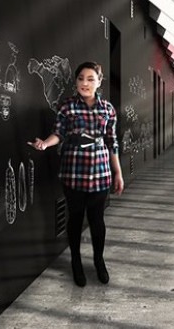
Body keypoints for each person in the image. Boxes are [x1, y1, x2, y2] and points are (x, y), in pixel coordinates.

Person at [28, 61, 124, 287]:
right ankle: (76, 262)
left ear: (99, 82)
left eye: (91, 79)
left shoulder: (107, 109)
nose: (85, 83)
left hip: (100, 173)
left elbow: (112, 142)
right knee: (75, 219)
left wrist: (118, 172)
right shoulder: (67, 106)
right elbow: (58, 134)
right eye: (81, 78)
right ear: (75, 81)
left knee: (97, 220)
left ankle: (99, 261)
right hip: (73, 172)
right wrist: (45, 144)